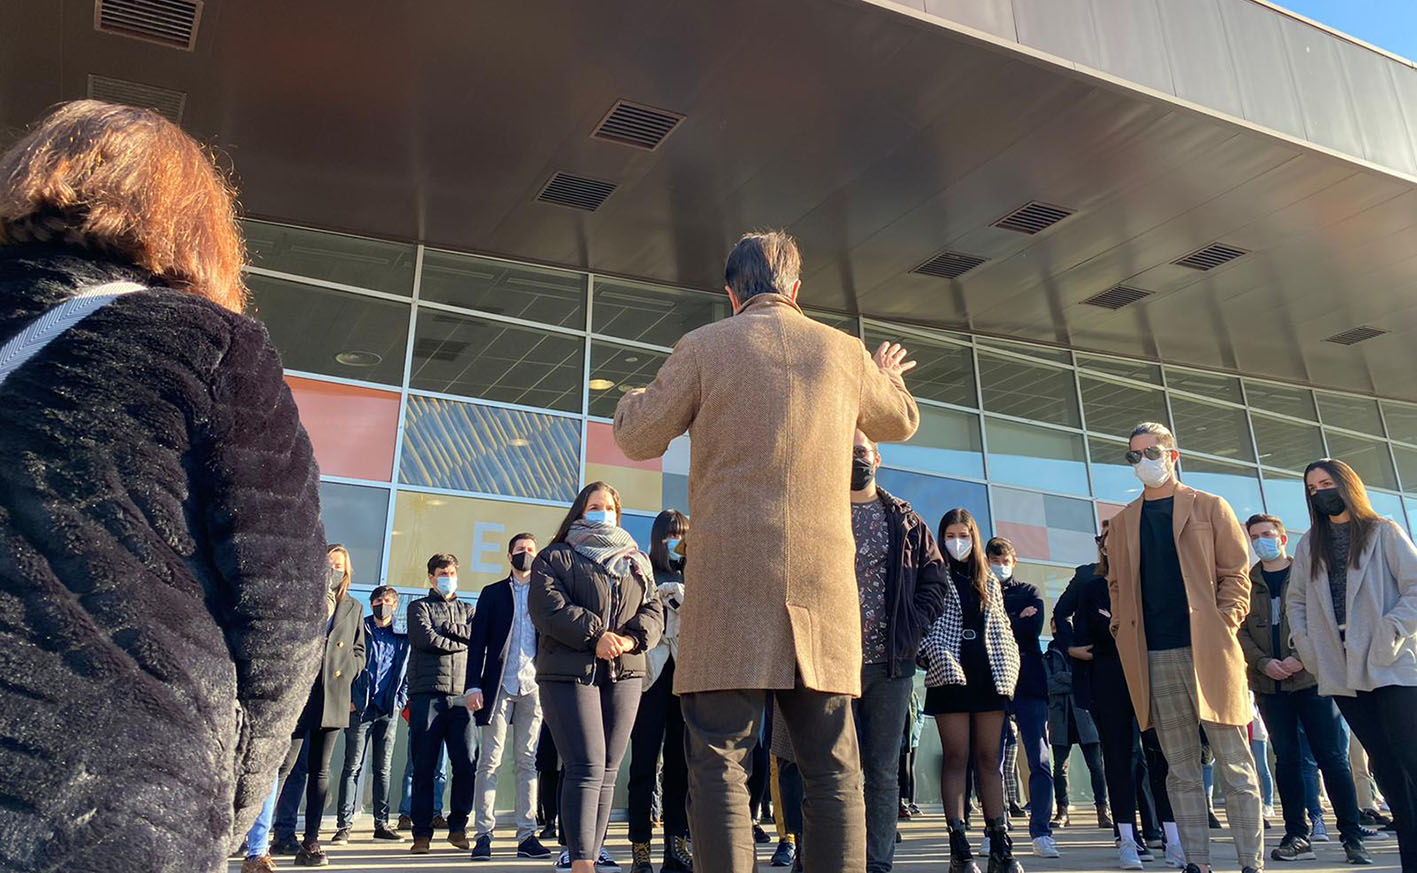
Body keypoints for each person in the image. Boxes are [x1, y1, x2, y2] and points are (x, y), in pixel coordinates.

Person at [0, 100, 327, 872]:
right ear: (196, 220)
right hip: (113, 797)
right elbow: (283, 609)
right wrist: (229, 799)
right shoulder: (212, 344)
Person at [611, 230, 920, 873]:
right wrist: (885, 377)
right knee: (834, 767)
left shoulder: (702, 347)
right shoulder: (842, 349)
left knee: (718, 760)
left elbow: (639, 437)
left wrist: (631, 398)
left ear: (731, 293)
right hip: (821, 590)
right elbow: (898, 421)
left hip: (728, 583)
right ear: (797, 288)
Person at [1104, 422, 1263, 873]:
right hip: (1154, 657)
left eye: (1150, 452)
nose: (1143, 462)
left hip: (1210, 651)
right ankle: (1196, 862)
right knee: (1181, 769)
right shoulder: (1121, 522)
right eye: (1133, 455)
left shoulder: (1210, 506)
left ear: (1172, 454)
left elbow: (1236, 573)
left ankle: (1251, 862)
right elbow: (1116, 587)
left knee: (1235, 765)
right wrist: (1121, 628)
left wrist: (1224, 622)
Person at [1287, 458, 1417, 872]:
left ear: (1346, 484)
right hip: (1340, 666)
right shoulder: (1309, 543)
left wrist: (1392, 629)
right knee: (1384, 764)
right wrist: (1306, 646)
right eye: (1312, 488)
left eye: (1326, 483)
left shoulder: (1382, 531)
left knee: (1409, 758)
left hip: (1390, 663)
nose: (1320, 492)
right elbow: (1296, 601)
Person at [528, 482, 664, 873]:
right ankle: (579, 859)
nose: (602, 512)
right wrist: (595, 635)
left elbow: (653, 609)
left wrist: (630, 638)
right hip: (570, 672)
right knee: (585, 765)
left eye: (608, 506)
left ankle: (594, 849)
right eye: (594, 506)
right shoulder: (554, 557)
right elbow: (548, 609)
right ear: (579, 511)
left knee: (607, 769)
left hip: (625, 671)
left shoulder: (637, 562)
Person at [1237, 513, 1371, 864]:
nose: (1260, 540)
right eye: (1254, 536)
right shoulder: (1246, 582)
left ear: (1282, 538)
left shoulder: (1309, 573)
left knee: (1332, 758)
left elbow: (1324, 618)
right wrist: (1264, 662)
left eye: (1267, 534)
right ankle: (1297, 833)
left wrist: (1301, 657)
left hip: (1313, 680)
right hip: (1269, 684)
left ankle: (1352, 836)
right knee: (1287, 760)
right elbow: (1240, 630)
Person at [850, 431, 949, 872]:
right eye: (846, 451)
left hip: (890, 666)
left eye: (862, 452)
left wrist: (912, 629)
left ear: (877, 457)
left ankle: (877, 864)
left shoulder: (905, 519)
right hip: (831, 666)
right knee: (831, 774)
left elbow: (935, 580)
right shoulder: (819, 512)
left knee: (882, 774)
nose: (855, 459)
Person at [920, 508, 1023, 873]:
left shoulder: (989, 579)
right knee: (955, 758)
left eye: (963, 535)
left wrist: (1009, 669)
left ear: (974, 536)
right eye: (950, 535)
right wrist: (932, 654)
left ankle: (1001, 847)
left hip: (988, 675)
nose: (957, 542)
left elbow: (1003, 630)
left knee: (988, 759)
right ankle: (959, 849)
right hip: (949, 671)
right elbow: (923, 623)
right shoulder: (931, 572)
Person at [1073, 538, 1182, 870]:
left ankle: (1173, 838)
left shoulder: (1153, 585)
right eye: (1109, 545)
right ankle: (1126, 837)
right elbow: (1081, 635)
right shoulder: (1092, 589)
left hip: (1151, 677)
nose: (1116, 550)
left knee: (1161, 757)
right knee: (1120, 757)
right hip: (1109, 681)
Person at [272, 545, 366, 866]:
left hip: (333, 696)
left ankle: (311, 842)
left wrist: (348, 670)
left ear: (347, 571)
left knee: (320, 772)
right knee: (283, 766)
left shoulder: (353, 606)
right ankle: (259, 834)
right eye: (329, 565)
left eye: (339, 566)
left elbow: (359, 650)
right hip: (301, 693)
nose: (334, 571)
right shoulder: (302, 599)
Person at [464, 533, 551, 861]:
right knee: (489, 763)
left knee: (527, 762)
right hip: (498, 687)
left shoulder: (545, 593)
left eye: (530, 550)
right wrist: (473, 685)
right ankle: (483, 836)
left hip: (534, 686)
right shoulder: (493, 593)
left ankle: (526, 836)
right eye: (519, 551)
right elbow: (477, 644)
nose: (525, 555)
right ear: (509, 555)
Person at [627, 510, 693, 873]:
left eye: (681, 534)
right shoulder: (643, 570)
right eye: (670, 534)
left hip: (684, 677)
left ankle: (677, 846)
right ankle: (640, 848)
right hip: (649, 677)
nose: (675, 540)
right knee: (643, 765)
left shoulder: (694, 570)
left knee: (680, 767)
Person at [988, 537, 1059, 858]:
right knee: (993, 761)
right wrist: (1014, 619)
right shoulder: (982, 593)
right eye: (993, 560)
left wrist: (1004, 621)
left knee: (1039, 759)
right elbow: (989, 631)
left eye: (1003, 560)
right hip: (994, 685)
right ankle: (995, 829)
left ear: (1013, 561)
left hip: (1029, 684)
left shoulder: (1030, 592)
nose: (999, 565)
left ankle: (1041, 831)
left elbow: (1031, 630)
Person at [405, 553, 478, 854]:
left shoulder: (468, 610)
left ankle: (458, 827)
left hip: (462, 698)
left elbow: (477, 637)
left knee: (466, 764)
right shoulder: (417, 607)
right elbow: (426, 641)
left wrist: (447, 630)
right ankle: (421, 834)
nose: (447, 577)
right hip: (427, 697)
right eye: (441, 573)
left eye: (451, 572)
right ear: (431, 577)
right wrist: (458, 642)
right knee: (424, 767)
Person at [334, 586, 410, 845]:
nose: (383, 604)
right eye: (378, 600)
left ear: (395, 605)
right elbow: (344, 665)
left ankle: (382, 824)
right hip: (360, 710)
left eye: (388, 601)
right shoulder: (361, 629)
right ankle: (344, 826)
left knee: (383, 769)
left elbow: (407, 673)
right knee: (351, 768)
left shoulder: (402, 636)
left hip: (387, 711)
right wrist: (350, 700)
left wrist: (399, 701)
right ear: (372, 603)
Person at [1042, 621, 1108, 831]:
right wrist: (1071, 680)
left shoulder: (1084, 649)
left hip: (1085, 716)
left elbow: (1089, 680)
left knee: (1096, 767)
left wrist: (1062, 678)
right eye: (1056, 625)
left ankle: (1103, 810)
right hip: (1060, 717)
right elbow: (1048, 685)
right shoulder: (1049, 655)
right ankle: (1062, 811)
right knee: (1059, 768)